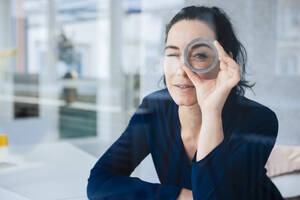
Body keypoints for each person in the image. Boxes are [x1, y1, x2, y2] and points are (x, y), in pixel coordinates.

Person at [87, 6, 283, 200]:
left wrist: (211, 112)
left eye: (199, 55)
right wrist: (182, 196)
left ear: (225, 62)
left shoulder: (259, 121)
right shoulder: (154, 108)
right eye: (172, 54)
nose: (181, 70)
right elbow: (99, 183)